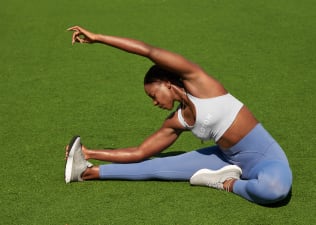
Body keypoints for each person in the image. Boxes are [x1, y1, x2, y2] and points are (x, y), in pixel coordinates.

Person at [65, 26, 292, 205]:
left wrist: (98, 38)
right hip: (224, 158)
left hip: (265, 158)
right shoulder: (177, 121)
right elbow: (139, 152)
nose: (154, 102)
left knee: (274, 190)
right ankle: (86, 173)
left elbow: (148, 51)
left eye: (154, 95)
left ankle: (225, 182)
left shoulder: (200, 83)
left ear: (166, 82)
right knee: (153, 168)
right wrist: (88, 152)